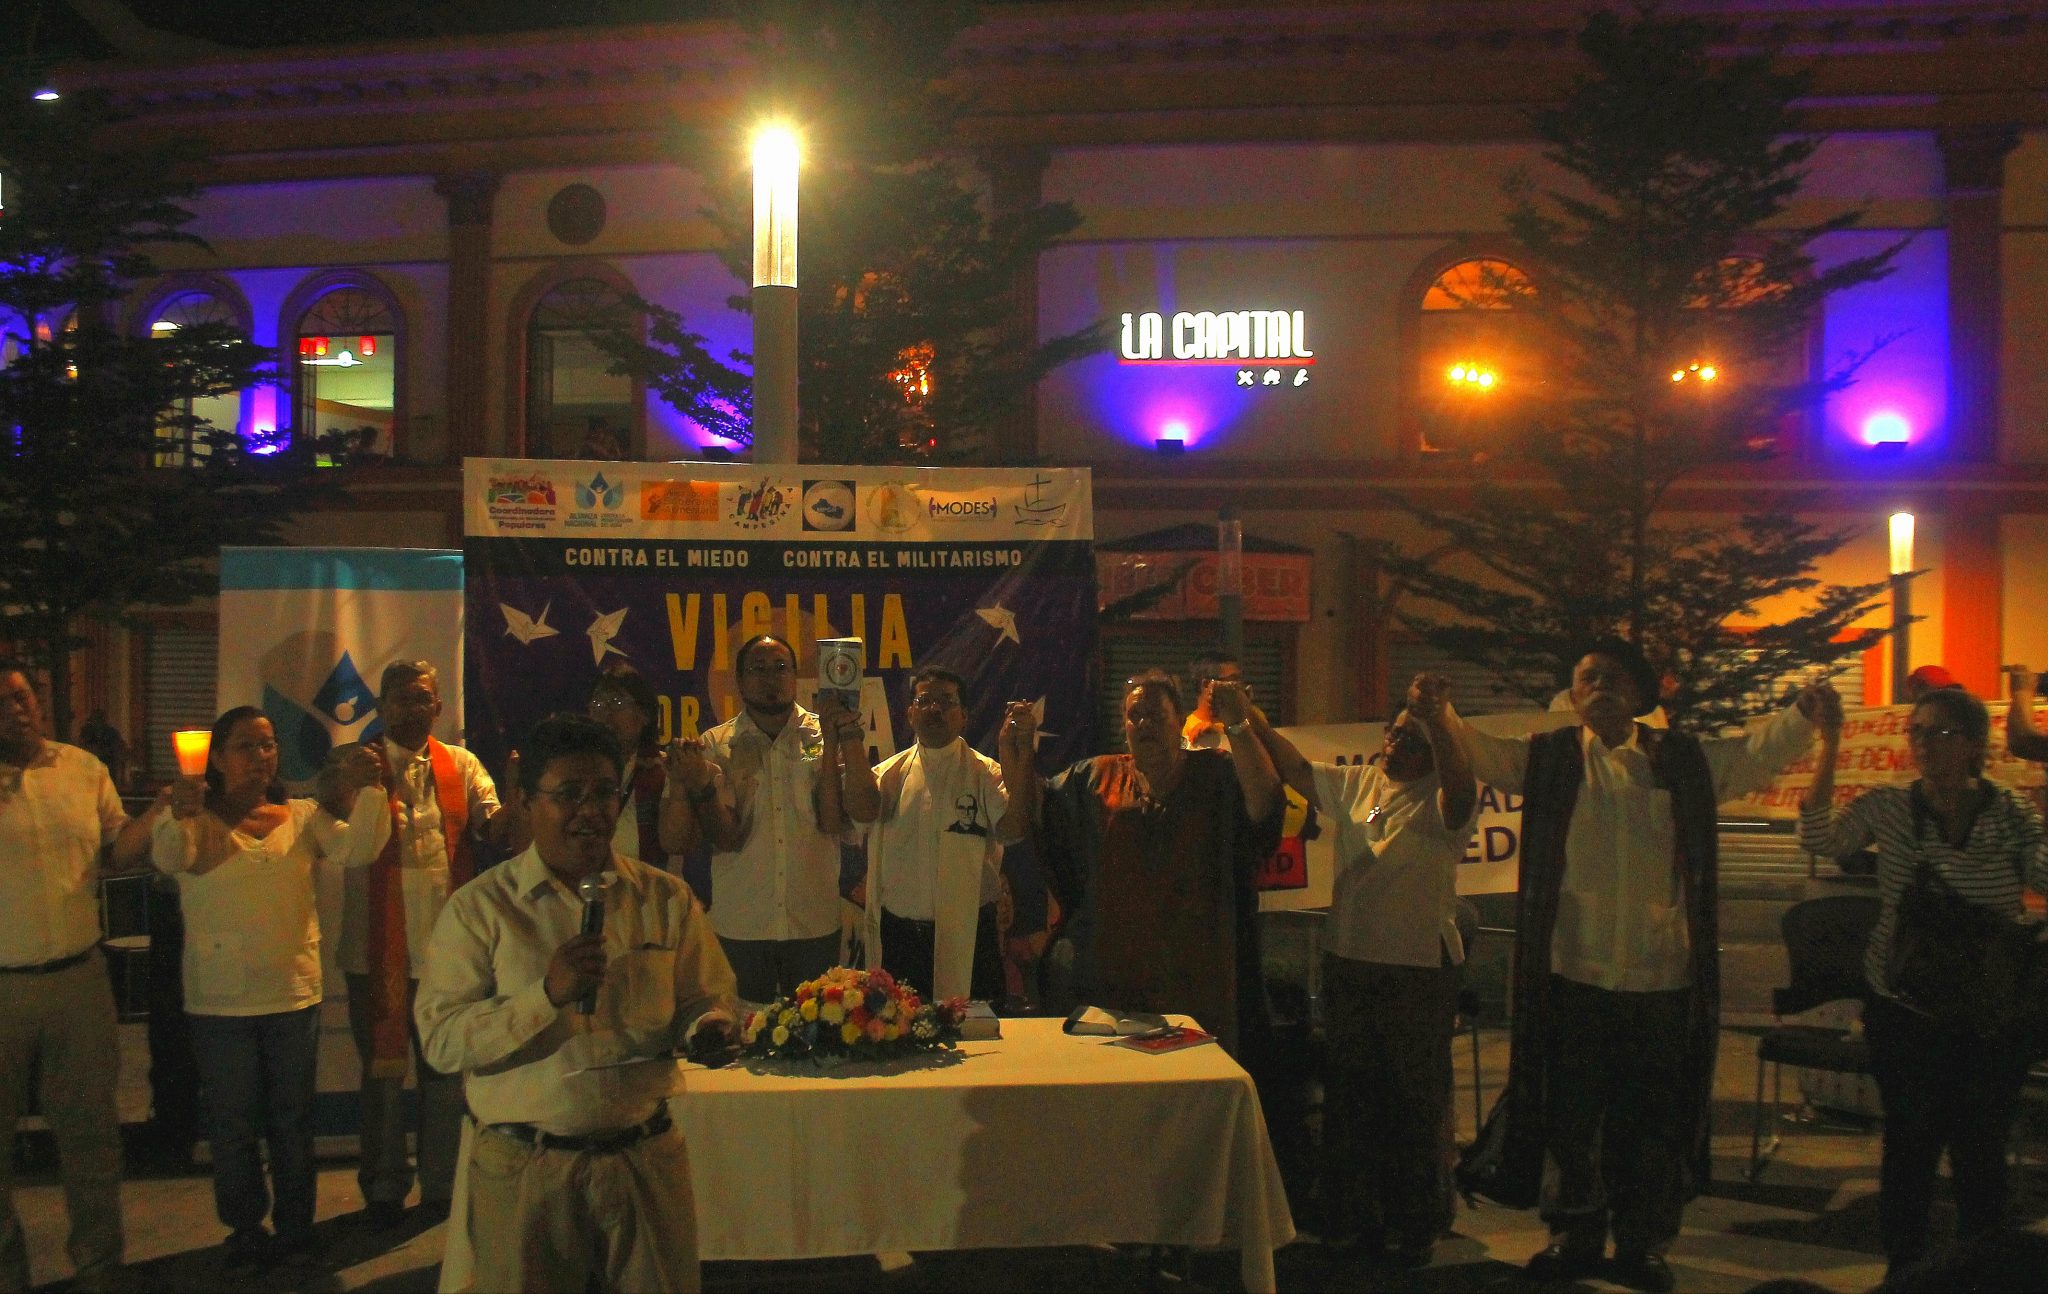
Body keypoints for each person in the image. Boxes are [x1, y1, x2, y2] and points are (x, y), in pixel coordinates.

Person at [1455, 639, 1829, 1294]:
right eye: (1587, 677)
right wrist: (1436, 714)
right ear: (1573, 696)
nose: (1599, 686)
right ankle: (1574, 1235)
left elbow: (1750, 756)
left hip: (1660, 978)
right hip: (1573, 974)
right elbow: (1476, 751)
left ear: (1637, 693)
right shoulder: (1548, 760)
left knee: (1651, 1124)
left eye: (1612, 676)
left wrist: (1801, 715)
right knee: (1573, 1120)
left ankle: (1642, 1244)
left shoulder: (1677, 761)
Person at [416, 713, 738, 1293]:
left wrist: (710, 1025)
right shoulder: (480, 909)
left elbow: (705, 997)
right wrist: (545, 997)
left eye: (604, 794)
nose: (590, 811)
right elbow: (441, 1043)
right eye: (568, 794)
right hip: (525, 1171)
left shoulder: (665, 898)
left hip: (643, 1164)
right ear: (524, 801)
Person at [1799, 683, 2045, 1275]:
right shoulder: (1889, 806)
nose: (1925, 745)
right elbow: (1820, 838)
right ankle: (1904, 1269)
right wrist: (1830, 744)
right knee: (1910, 1145)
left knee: (1980, 1149)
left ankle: (1982, 1272)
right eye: (1918, 732)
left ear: (1975, 744)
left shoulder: (2010, 812)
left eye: (1941, 733)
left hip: (1988, 1011)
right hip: (1905, 1006)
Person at [1241, 674, 1478, 1269]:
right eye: (1393, 734)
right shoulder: (1362, 784)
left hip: (1416, 969)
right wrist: (1250, 716)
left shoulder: (1444, 799)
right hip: (1350, 962)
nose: (1394, 746)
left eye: (1412, 740)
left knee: (1412, 1102)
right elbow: (1296, 769)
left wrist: (1439, 718)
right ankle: (1350, 1216)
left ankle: (1414, 1224)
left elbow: (1459, 787)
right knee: (1350, 1095)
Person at [152, 709, 387, 1272]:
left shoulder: (303, 816)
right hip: (220, 1002)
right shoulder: (196, 819)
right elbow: (168, 858)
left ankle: (296, 1228)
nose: (260, 757)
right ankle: (244, 1228)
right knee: (233, 1125)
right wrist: (178, 811)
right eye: (245, 746)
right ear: (217, 757)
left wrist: (371, 791)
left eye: (268, 745)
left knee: (292, 1121)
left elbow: (358, 850)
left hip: (290, 996)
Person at [1011, 670, 1282, 1057]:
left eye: (1155, 715)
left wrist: (1238, 724)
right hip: (1111, 982)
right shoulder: (1095, 778)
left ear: (1179, 720)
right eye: (1134, 715)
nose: (1143, 724)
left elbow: (1265, 804)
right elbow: (1032, 811)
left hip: (1198, 981)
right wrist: (1019, 750)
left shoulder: (1217, 772)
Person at [343, 659, 522, 1226]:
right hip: (375, 950)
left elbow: (494, 828)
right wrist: (353, 785)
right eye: (400, 697)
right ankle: (383, 1190)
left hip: (447, 952)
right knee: (383, 1077)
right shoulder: (357, 764)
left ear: (439, 707)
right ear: (381, 705)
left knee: (445, 1076)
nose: (412, 708)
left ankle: (441, 1186)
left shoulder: (461, 764)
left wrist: (515, 800)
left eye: (422, 698)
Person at [0, 661, 159, 1294]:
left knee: (91, 1135)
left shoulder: (82, 769)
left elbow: (117, 853)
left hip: (78, 978)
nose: (16, 709)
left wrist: (164, 811)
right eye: (2, 701)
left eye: (23, 695)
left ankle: (99, 1266)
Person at [662, 634, 878, 1003]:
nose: (770, 677)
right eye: (758, 669)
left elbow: (859, 812)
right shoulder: (714, 745)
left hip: (813, 921)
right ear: (739, 680)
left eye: (780, 668)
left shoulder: (824, 735)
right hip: (741, 924)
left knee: (818, 1029)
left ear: (795, 676)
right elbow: (684, 839)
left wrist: (844, 736)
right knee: (740, 1030)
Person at [860, 667, 1031, 1003]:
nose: (934, 709)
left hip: (971, 934)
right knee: (901, 1028)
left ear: (964, 715)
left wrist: (1019, 752)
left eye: (946, 701)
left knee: (976, 1030)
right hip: (903, 940)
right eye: (924, 700)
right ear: (910, 714)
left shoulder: (985, 773)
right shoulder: (888, 775)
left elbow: (1013, 830)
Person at [588, 662, 676, 875]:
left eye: (617, 702)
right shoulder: (576, 772)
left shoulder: (667, 770)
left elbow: (675, 842)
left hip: (646, 889)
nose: (606, 712)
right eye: (598, 704)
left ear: (645, 714)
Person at [1182, 654, 1246, 750]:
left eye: (1240, 680)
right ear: (1207, 684)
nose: (1240, 686)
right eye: (1233, 680)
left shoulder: (1248, 716)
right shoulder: (1190, 729)